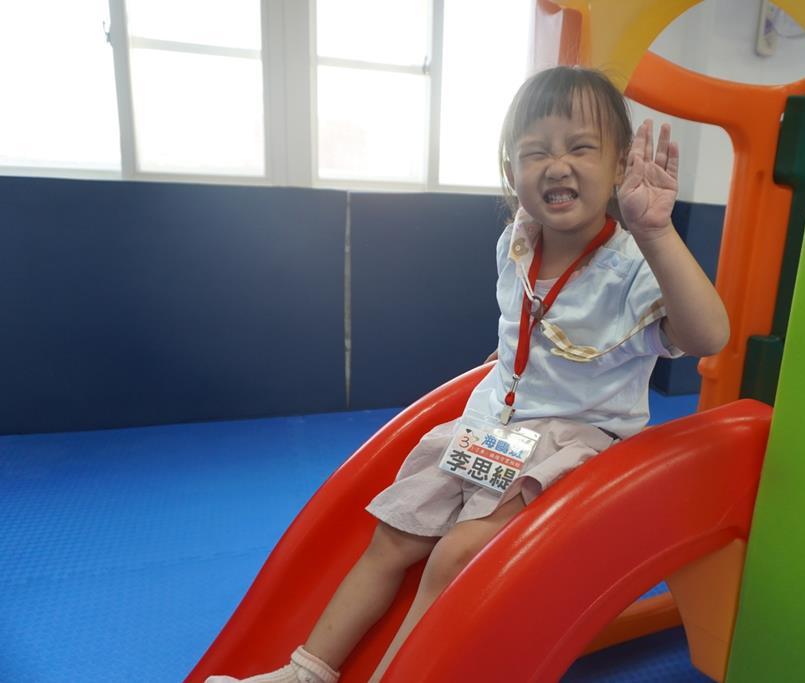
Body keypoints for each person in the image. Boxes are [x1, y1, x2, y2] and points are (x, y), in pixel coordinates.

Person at [207, 65, 729, 683]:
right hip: (494, 428)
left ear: (619, 165)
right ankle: (306, 672)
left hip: (570, 444)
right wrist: (509, 360)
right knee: (391, 540)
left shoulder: (633, 265)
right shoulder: (516, 242)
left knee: (454, 556)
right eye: (534, 152)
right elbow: (522, 322)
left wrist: (657, 232)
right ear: (511, 170)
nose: (557, 165)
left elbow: (708, 336)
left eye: (580, 147)